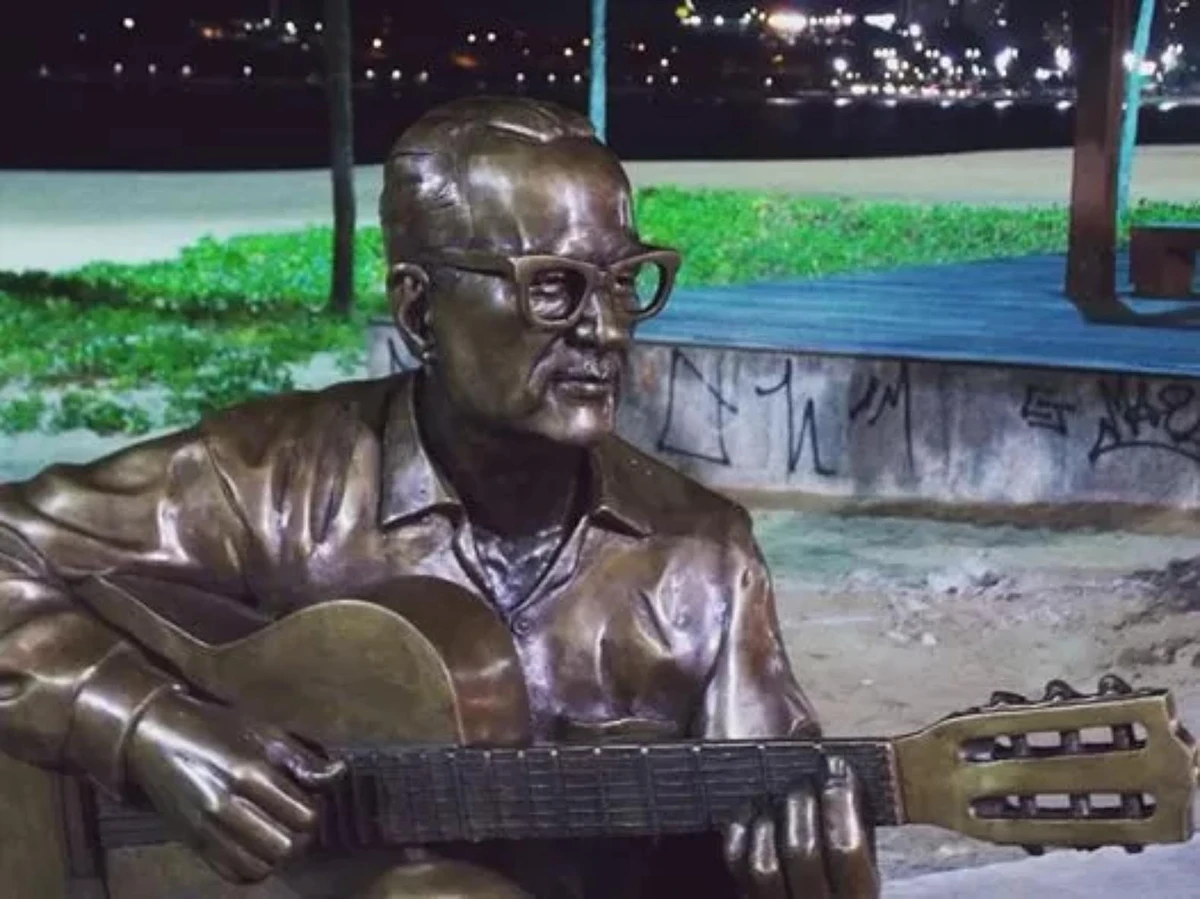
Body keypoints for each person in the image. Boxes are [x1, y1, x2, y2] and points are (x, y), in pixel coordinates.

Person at [0, 96, 879, 898]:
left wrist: (805, 874)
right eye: (552, 286)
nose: (607, 330)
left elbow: (754, 824)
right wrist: (147, 728)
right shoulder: (262, 478)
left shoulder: (704, 559)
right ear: (420, 312)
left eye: (624, 280)